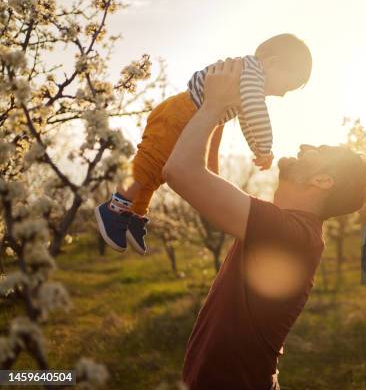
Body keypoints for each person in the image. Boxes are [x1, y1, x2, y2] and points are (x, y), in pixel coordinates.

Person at [163, 57, 366, 390]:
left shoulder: (290, 234)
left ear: (323, 181)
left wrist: (214, 104)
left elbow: (180, 173)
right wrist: (220, 113)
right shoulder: (292, 229)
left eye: (320, 149)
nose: (306, 146)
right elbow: (208, 188)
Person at [95, 34, 312, 255]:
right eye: (287, 85)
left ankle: (134, 214)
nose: (284, 94)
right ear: (273, 63)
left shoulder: (249, 81)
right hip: (180, 115)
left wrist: (256, 147)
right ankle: (114, 208)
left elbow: (247, 118)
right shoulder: (253, 73)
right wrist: (266, 146)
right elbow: (256, 111)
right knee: (149, 163)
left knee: (158, 172)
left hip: (187, 117)